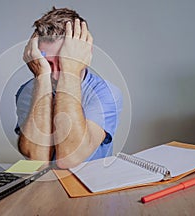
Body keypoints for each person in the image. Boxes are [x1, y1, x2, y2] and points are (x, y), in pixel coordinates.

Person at [15, 7, 122, 169]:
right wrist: (42, 79)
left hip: (87, 187)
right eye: (48, 64)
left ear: (85, 54)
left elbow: (69, 159)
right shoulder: (28, 90)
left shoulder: (106, 93)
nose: (56, 75)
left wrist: (70, 71)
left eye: (64, 61)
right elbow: (36, 161)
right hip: (41, 186)